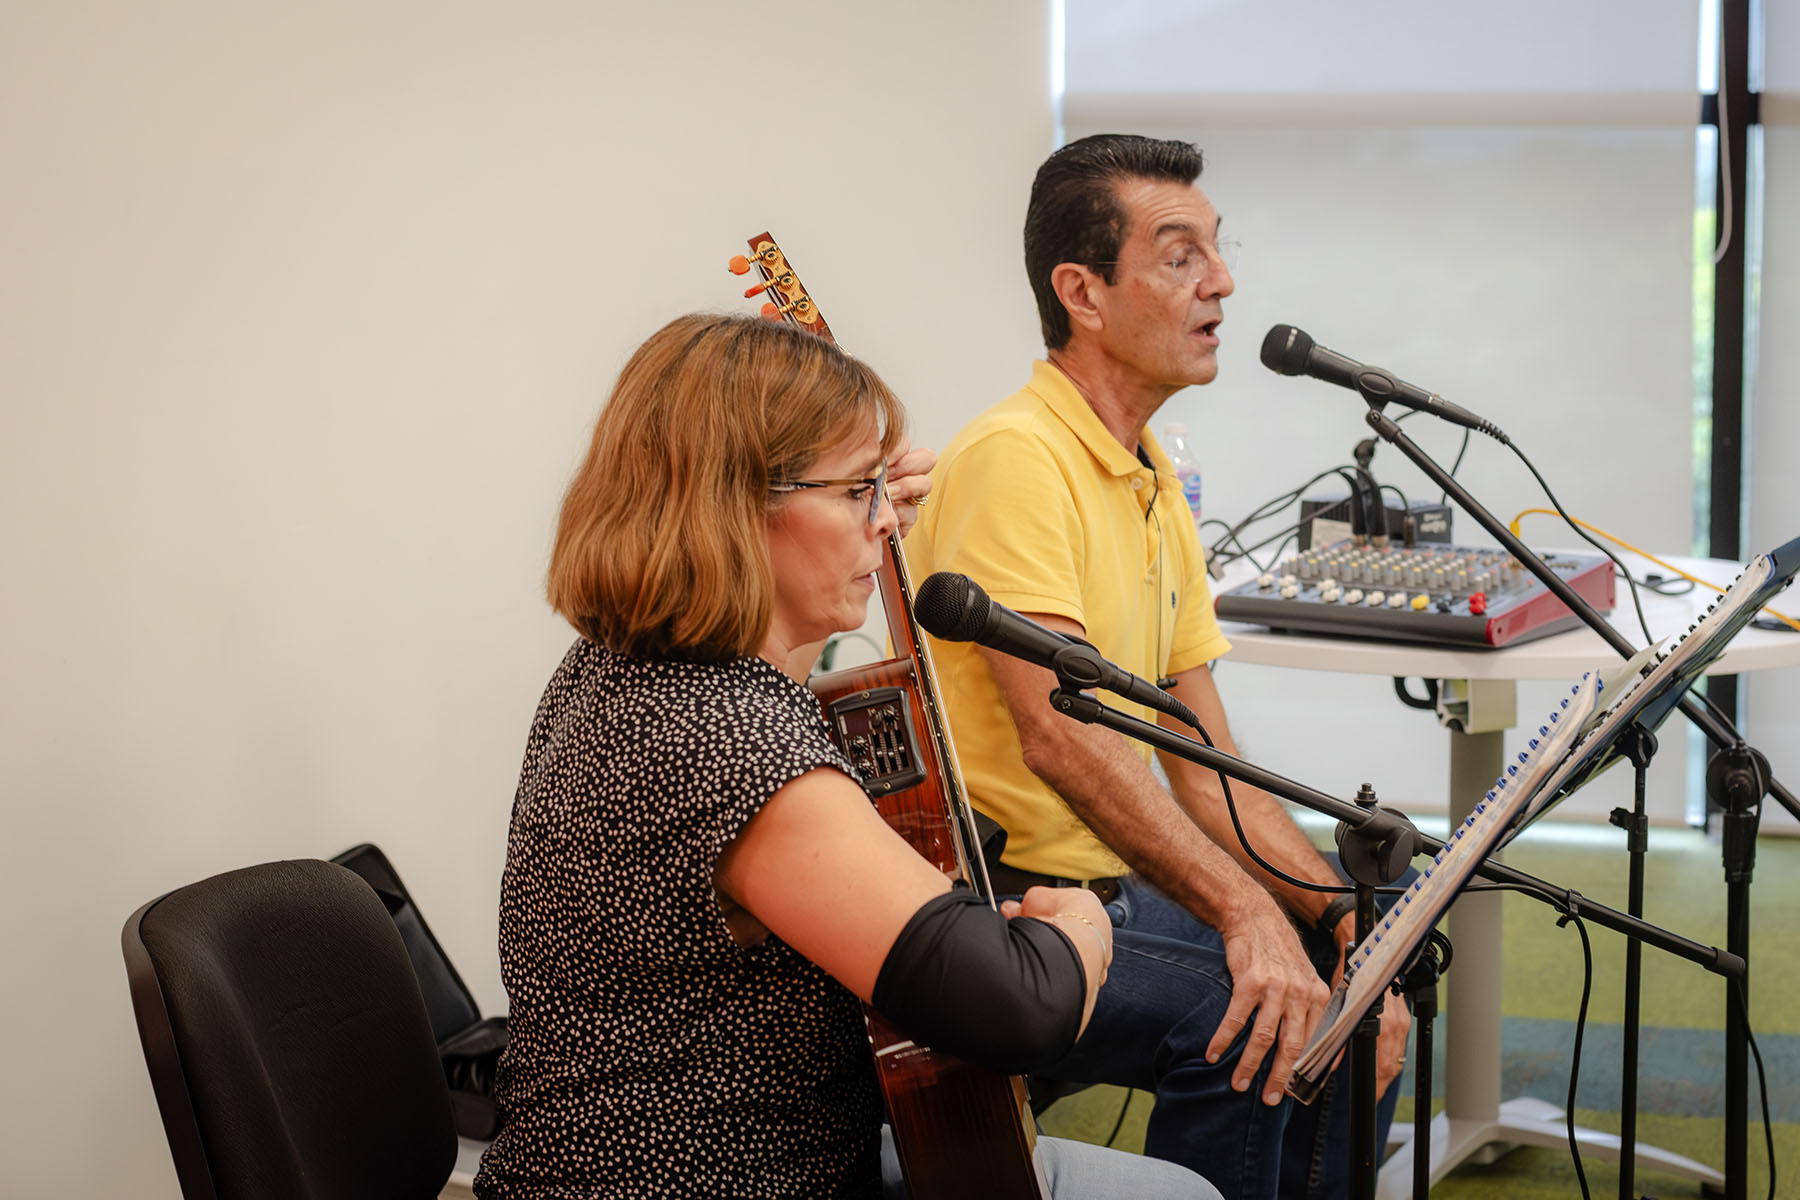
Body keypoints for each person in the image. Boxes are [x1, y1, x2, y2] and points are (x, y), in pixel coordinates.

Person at [472, 312, 1217, 1199]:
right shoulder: (731, 749)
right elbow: (1022, 1008)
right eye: (856, 491)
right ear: (741, 506)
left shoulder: (618, 669)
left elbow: (769, 665)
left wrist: (847, 516)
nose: (886, 525)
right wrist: (1084, 927)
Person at [904, 134, 1412, 1199]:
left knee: (1374, 966)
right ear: (1082, 292)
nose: (1221, 281)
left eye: (1217, 252)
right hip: (1027, 906)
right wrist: (1246, 915)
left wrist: (1339, 916)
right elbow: (1060, 736)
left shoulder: (1146, 476)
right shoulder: (1015, 459)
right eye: (1180, 256)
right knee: (1247, 1017)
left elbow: (1206, 762)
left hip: (1127, 885)